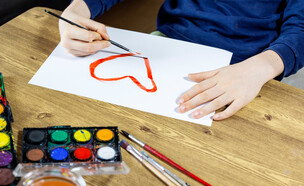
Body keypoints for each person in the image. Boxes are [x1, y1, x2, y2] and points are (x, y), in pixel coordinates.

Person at [58, 0, 304, 120]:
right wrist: (79, 8)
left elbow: (300, 29)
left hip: (249, 69)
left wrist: (262, 67)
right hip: (169, 43)